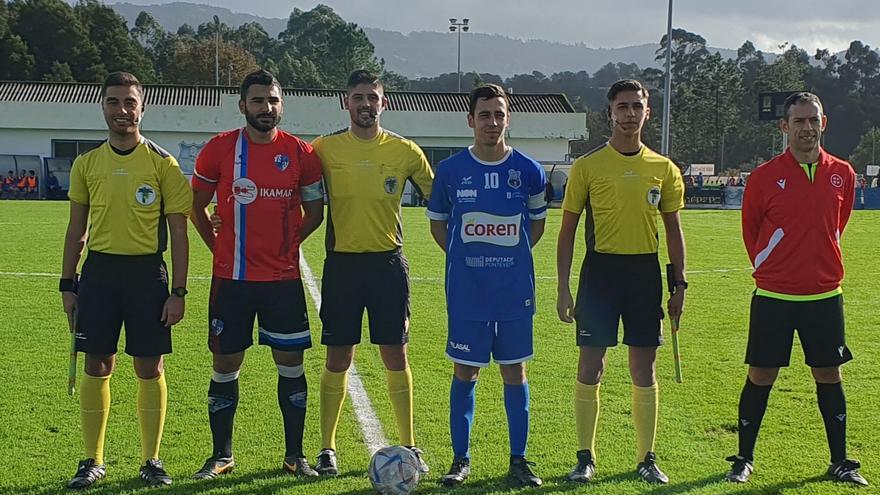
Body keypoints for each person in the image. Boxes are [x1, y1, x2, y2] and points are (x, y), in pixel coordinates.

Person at [726, 92, 867, 486]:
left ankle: (839, 461)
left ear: (824, 123)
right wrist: (772, 267)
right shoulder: (764, 177)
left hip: (824, 295)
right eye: (799, 121)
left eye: (813, 120)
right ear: (784, 127)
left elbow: (839, 224)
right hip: (774, 296)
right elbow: (751, 231)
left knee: (829, 374)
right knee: (761, 374)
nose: (807, 128)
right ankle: (744, 458)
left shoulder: (843, 172)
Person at [189, 69, 324, 480]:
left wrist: (288, 244)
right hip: (232, 281)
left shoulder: (302, 154)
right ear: (242, 105)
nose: (267, 108)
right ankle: (221, 456)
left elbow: (316, 211)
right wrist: (219, 250)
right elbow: (197, 207)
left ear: (282, 104)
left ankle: (295, 456)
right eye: (258, 101)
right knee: (225, 362)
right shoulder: (219, 149)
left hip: (282, 282)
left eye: (273, 100)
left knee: (291, 363)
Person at [60, 71, 191, 489]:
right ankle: (91, 460)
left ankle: (151, 460)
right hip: (99, 274)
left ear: (142, 107)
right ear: (103, 106)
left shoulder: (162, 163)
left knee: (148, 367)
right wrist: (68, 284)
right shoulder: (87, 164)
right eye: (114, 102)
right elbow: (76, 229)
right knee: (97, 364)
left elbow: (179, 234)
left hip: (147, 275)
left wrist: (179, 292)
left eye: (129, 102)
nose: (122, 110)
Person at [556, 79, 686, 485]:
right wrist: (563, 286)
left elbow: (674, 231)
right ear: (609, 113)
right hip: (600, 275)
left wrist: (679, 284)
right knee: (591, 365)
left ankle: (646, 457)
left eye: (637, 106)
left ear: (648, 112)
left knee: (643, 366)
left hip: (645, 275)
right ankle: (585, 457)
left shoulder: (663, 169)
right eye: (622, 106)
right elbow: (567, 231)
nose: (630, 114)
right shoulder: (588, 167)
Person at [311, 69, 434, 476]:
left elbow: (442, 199)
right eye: (359, 97)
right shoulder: (324, 150)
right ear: (346, 102)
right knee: (338, 357)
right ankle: (327, 448)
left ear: (385, 103)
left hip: (387, 265)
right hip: (342, 265)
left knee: (395, 354)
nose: (366, 104)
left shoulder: (406, 151)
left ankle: (410, 444)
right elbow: (283, 189)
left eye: (373, 98)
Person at [427, 84, 547, 487]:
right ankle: (460, 460)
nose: (492, 122)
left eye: (499, 114)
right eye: (484, 115)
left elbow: (537, 224)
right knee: (466, 372)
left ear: (507, 119)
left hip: (514, 291)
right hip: (467, 292)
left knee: (515, 371)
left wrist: (508, 260)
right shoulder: (450, 171)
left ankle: (519, 459)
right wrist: (466, 259)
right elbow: (438, 225)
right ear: (470, 120)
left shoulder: (529, 170)